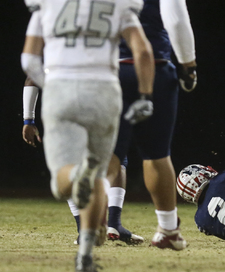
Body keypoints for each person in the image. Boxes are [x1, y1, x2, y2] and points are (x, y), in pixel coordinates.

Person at [21, 0, 155, 272]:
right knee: (98, 173)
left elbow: (29, 60)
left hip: (62, 88)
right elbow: (141, 50)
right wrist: (144, 95)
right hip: (103, 90)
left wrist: (54, 87)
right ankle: (85, 255)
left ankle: (75, 179)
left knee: (63, 183)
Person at [106, 0, 198, 250]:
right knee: (156, 154)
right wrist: (188, 64)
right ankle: (167, 230)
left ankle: (94, 222)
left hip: (105, 67)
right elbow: (175, 16)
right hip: (152, 66)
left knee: (109, 152)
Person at [21, 76, 144, 245]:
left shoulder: (55, 50)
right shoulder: (101, 51)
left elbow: (31, 76)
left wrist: (28, 120)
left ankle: (84, 230)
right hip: (98, 103)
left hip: (63, 107)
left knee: (68, 164)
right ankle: (114, 224)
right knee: (117, 159)